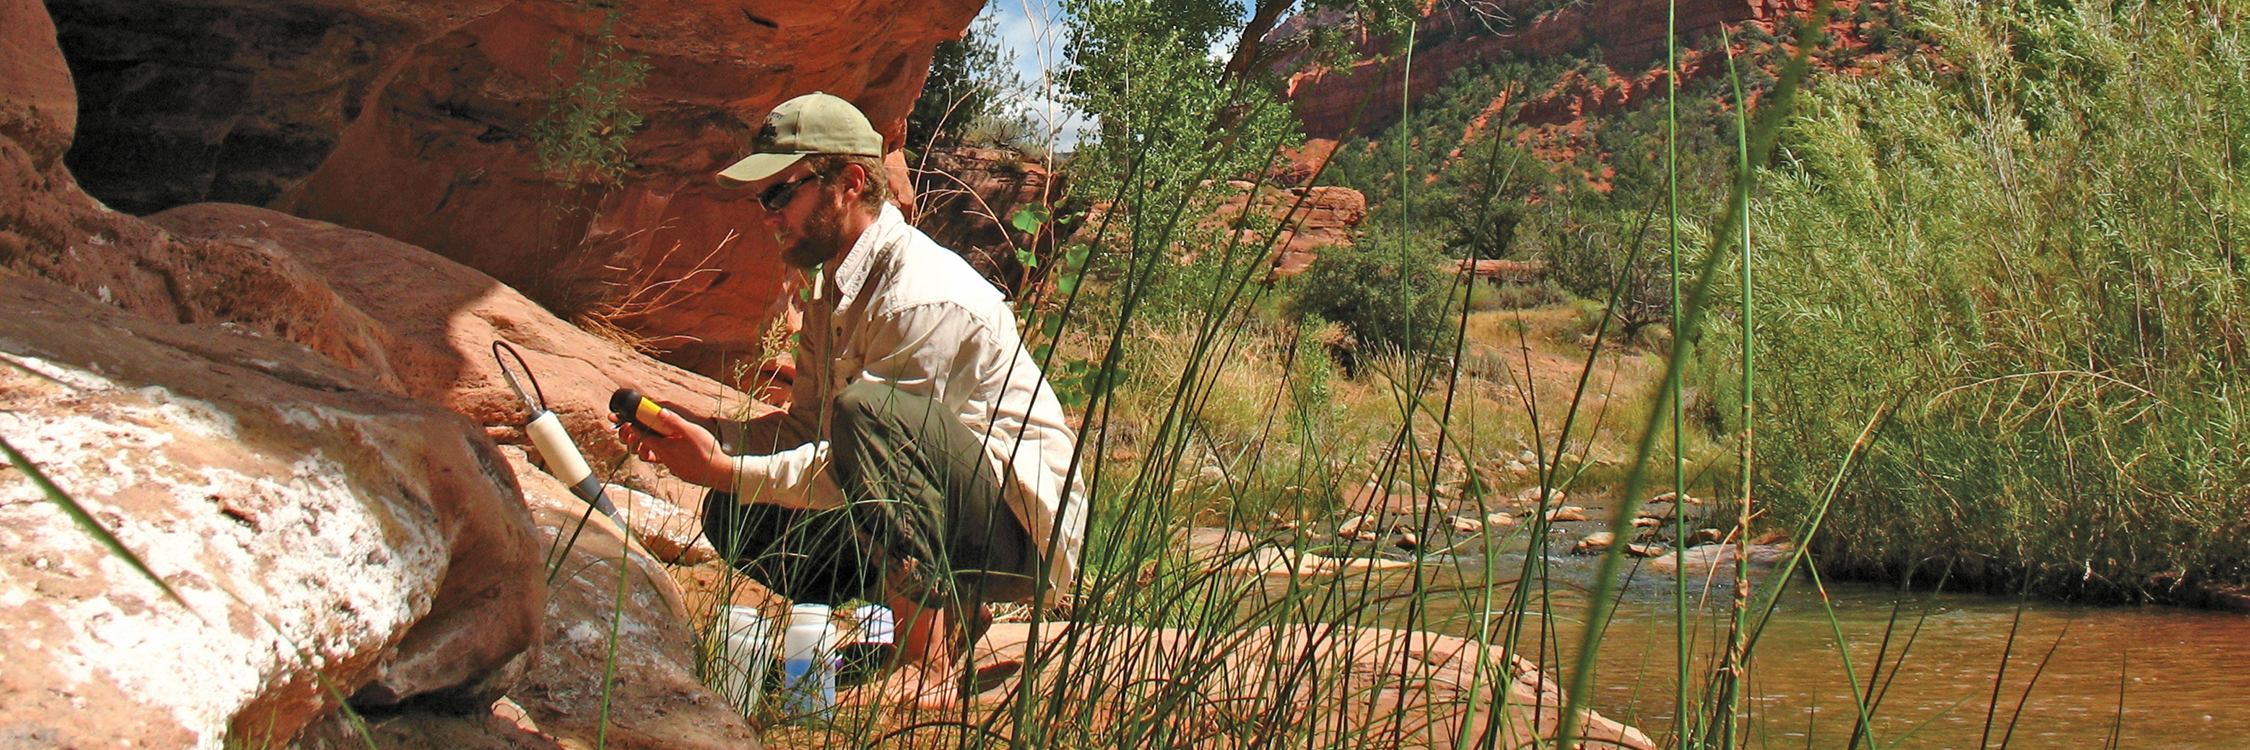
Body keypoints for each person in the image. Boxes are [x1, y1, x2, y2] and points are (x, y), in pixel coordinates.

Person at [615, 92, 1086, 709]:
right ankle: (944, 621)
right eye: (764, 198)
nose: (767, 215)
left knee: (867, 414)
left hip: (1016, 537)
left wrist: (727, 466)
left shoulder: (919, 295)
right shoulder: (830, 290)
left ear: (849, 183)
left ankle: (930, 659)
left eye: (780, 193)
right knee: (736, 513)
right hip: (937, 503)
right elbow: (808, 430)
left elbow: (864, 455)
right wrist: (706, 436)